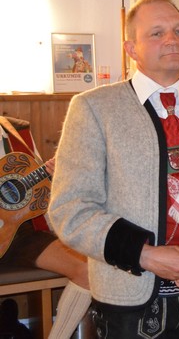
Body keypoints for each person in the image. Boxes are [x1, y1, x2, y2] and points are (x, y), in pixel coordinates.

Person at [48, 0, 179, 338]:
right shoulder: (94, 109)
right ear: (131, 49)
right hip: (129, 300)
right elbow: (69, 209)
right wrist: (144, 254)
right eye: (157, 33)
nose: (172, 39)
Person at [0, 116, 91, 339]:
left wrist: (55, 176)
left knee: (88, 271)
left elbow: (38, 197)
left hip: (19, 233)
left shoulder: (15, 131)